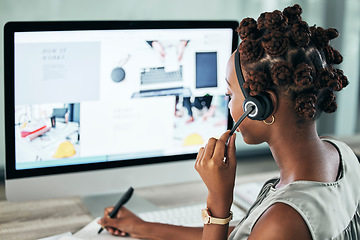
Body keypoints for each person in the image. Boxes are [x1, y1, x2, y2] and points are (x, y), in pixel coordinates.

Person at [98, 4, 360, 239]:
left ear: (258, 106)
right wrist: (143, 228)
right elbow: (255, 232)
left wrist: (219, 201)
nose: (226, 105)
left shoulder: (283, 221)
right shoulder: (341, 155)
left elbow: (272, 230)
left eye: (229, 95)